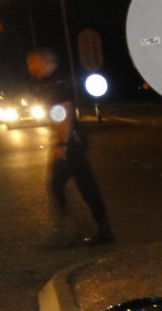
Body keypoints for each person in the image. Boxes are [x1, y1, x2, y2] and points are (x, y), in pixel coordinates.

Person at [27, 48, 114, 245]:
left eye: (33, 63)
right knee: (87, 187)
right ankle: (103, 230)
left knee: (56, 186)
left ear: (47, 61)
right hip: (76, 143)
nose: (30, 67)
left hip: (70, 144)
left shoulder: (56, 83)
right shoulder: (56, 81)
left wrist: (62, 144)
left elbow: (64, 114)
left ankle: (68, 232)